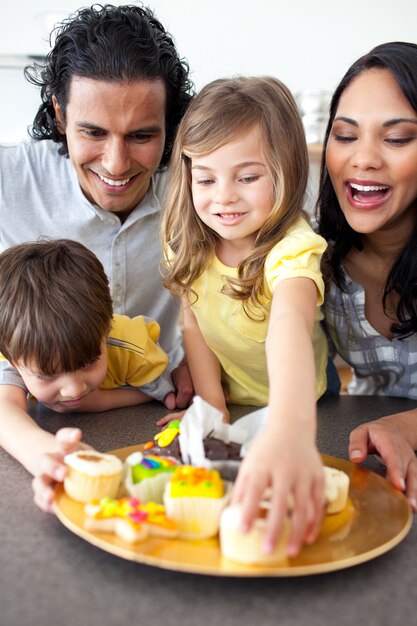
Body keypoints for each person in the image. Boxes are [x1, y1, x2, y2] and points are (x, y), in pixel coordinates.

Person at [161, 76, 329, 556]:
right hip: (236, 402)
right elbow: (193, 323)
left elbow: (288, 325)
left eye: (248, 177)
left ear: (286, 168)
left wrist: (290, 428)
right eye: (206, 178)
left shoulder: (293, 249)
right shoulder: (187, 244)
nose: (224, 197)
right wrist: (211, 407)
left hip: (304, 407)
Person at [0, 3, 195, 411]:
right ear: (59, 113)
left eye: (141, 136)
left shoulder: (203, 184)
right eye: (93, 132)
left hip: (163, 405)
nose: (116, 164)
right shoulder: (11, 179)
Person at [0, 239, 175, 510]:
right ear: (12, 359)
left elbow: (165, 395)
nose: (73, 390)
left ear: (106, 329)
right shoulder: (17, 343)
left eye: (89, 362)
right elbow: (4, 408)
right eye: (46, 375)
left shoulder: (135, 349)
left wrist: (101, 400)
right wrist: (40, 451)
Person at [317, 41, 417, 510]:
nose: (364, 159)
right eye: (345, 135)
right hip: (369, 465)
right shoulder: (318, 262)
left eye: (396, 139)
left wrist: (402, 428)